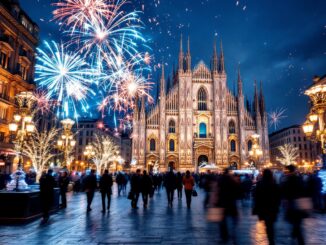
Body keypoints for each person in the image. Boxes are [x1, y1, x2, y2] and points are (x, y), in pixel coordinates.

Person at [253, 169, 281, 245]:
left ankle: (271, 240)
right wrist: (277, 206)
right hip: (272, 209)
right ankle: (272, 240)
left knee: (268, 225)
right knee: (271, 225)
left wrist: (256, 208)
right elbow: (278, 197)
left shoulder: (260, 184)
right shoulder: (275, 184)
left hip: (263, 209)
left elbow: (256, 197)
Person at [282, 165, 306, 245]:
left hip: (293, 204)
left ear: (289, 171)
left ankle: (299, 240)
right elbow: (304, 190)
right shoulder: (299, 178)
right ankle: (295, 237)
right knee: (297, 223)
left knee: (296, 223)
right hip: (300, 203)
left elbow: (285, 192)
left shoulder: (288, 180)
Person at [216, 168, 241, 243]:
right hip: (232, 203)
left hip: (223, 202)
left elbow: (217, 191)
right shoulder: (233, 181)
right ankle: (233, 233)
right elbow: (238, 191)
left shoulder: (220, 180)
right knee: (233, 219)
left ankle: (224, 236)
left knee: (222, 220)